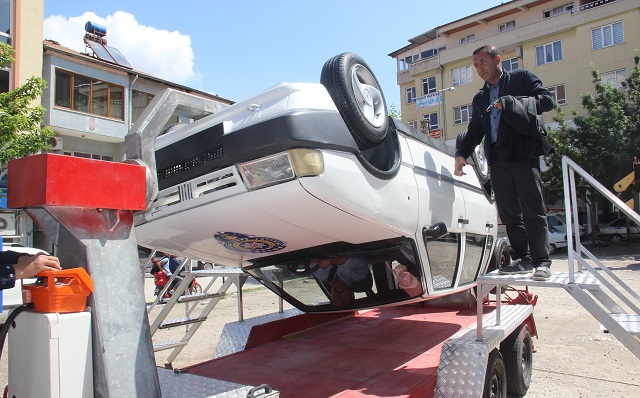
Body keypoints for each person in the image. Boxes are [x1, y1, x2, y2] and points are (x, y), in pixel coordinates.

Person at [455, 44, 554, 281]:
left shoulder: (521, 79)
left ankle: (542, 262)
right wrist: (461, 154)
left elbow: (546, 101)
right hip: (497, 159)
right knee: (509, 214)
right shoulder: (480, 98)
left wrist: (510, 102)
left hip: (522, 153)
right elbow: (475, 130)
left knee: (533, 208)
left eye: (483, 62)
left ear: (497, 59)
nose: (479, 68)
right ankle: (524, 259)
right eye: (475, 65)